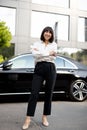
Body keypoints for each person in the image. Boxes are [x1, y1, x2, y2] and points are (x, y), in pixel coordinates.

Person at [22, 26, 57, 129]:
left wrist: (41, 54)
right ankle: (28, 119)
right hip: (39, 68)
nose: (48, 33)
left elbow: (53, 57)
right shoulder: (36, 44)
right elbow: (35, 55)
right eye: (46, 31)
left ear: (51, 35)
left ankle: (44, 117)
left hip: (50, 68)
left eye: (50, 32)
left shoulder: (54, 44)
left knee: (48, 93)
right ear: (43, 33)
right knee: (34, 93)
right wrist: (47, 53)